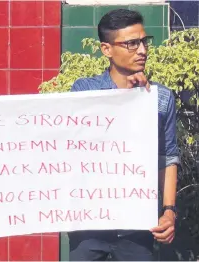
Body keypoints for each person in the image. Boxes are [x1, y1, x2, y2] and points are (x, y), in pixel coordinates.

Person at [68, 9, 179, 261]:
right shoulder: (84, 90)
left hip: (138, 227)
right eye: (131, 43)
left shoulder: (161, 98)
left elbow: (168, 157)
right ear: (107, 49)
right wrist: (128, 100)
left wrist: (169, 210)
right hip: (89, 226)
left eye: (143, 41)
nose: (142, 50)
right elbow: (80, 145)